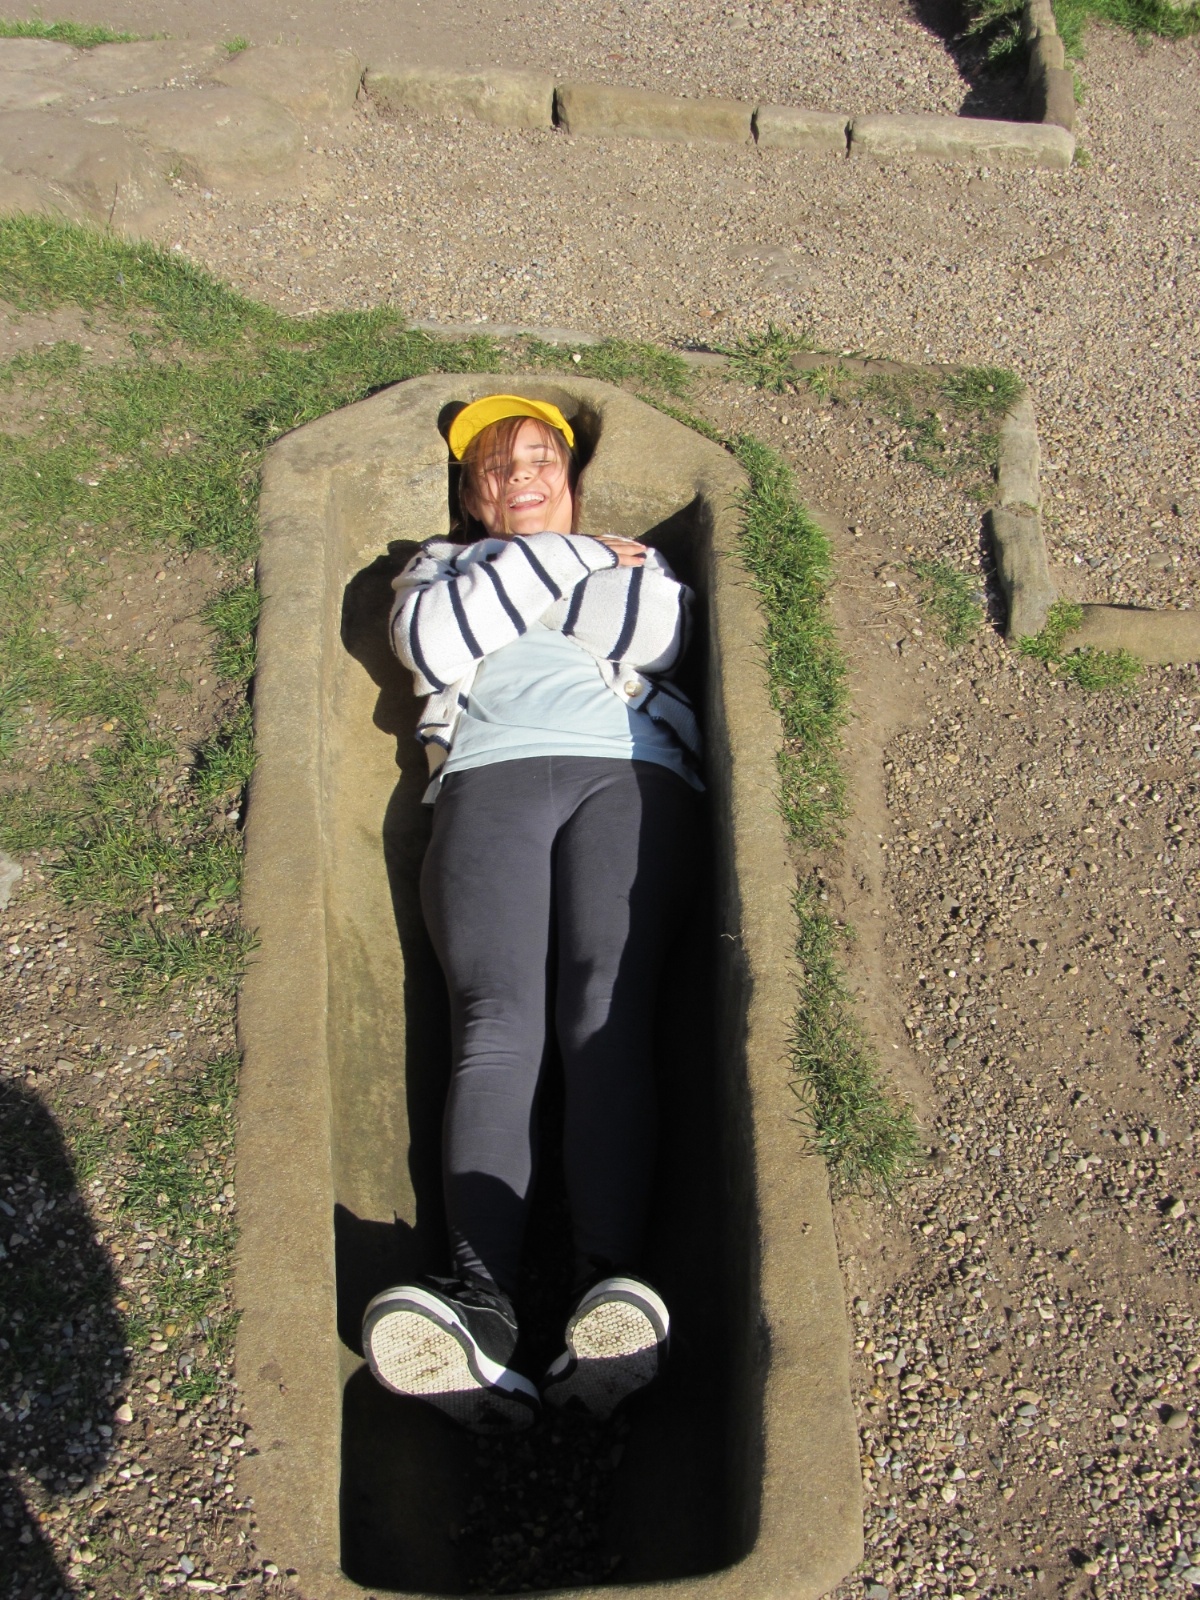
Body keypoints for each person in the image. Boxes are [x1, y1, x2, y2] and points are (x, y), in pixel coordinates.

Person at [361, 394, 703, 1434]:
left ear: (571, 475)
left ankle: (609, 1293)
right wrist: (572, 559)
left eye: (540, 458)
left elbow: (651, 633)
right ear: (470, 495)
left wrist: (525, 586)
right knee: (494, 1021)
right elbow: (433, 640)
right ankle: (481, 1306)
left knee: (602, 1009)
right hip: (486, 778)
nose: (519, 477)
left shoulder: (635, 563)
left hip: (630, 773)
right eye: (494, 466)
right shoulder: (434, 565)